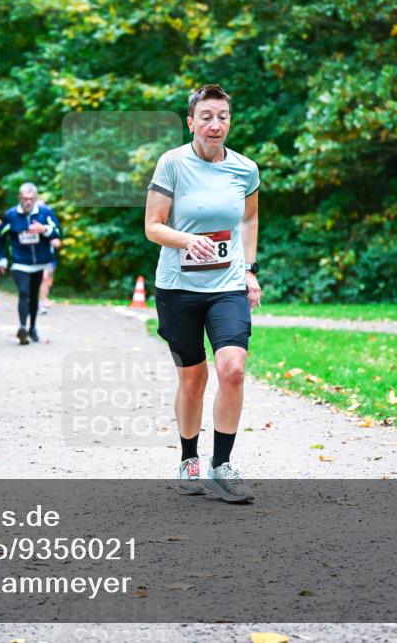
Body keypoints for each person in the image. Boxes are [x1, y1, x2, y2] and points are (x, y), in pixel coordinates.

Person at [143, 84, 261, 503]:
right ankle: (188, 457)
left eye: (223, 117)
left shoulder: (245, 169)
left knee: (232, 368)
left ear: (230, 121)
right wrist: (185, 240)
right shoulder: (172, 164)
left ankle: (221, 465)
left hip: (227, 285)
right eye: (207, 117)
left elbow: (248, 222)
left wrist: (250, 271)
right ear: (191, 122)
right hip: (178, 288)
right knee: (193, 378)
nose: (215, 125)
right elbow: (152, 226)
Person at [0, 182, 61, 345]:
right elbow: (0, 238)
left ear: (36, 198)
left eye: (31, 199)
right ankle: (22, 327)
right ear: (19, 198)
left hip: (40, 262)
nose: (28, 202)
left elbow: (58, 232)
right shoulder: (11, 215)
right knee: (23, 292)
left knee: (33, 296)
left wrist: (44, 230)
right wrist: (1, 258)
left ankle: (32, 327)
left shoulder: (45, 213)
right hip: (20, 262)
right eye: (25, 199)